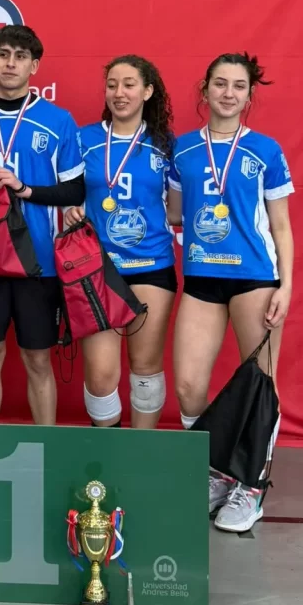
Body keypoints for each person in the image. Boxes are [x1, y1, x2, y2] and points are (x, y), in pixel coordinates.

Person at [169, 52, 294, 533]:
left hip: (255, 280)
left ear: (248, 95)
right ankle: (215, 471)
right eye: (219, 84)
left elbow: (281, 227)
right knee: (187, 386)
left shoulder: (265, 150)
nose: (227, 93)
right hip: (202, 279)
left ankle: (252, 486)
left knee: (262, 385)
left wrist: (286, 285)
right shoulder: (182, 151)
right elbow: (177, 214)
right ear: (204, 91)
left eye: (238, 86)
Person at [0, 25, 84, 425]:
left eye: (21, 56)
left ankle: (48, 446)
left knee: (37, 358)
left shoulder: (58, 121)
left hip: (38, 260)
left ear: (34, 65)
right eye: (3, 54)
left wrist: (25, 189)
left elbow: (75, 190)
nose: (11, 63)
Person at [64, 55, 177, 429]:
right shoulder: (82, 139)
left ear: (147, 91)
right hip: (96, 267)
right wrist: (70, 211)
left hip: (151, 265)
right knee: (100, 374)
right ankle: (109, 451)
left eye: (129, 84)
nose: (119, 92)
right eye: (112, 84)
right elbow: (67, 193)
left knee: (145, 368)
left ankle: (140, 452)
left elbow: (176, 211)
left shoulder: (165, 144)